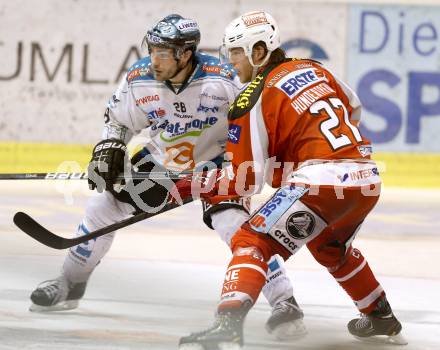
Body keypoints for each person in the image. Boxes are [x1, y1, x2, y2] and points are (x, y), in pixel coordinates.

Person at [29, 14, 306, 339]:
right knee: (103, 207)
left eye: (163, 52)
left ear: (186, 54)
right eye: (153, 49)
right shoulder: (139, 78)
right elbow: (118, 121)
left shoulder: (225, 80)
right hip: (163, 161)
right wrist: (109, 146)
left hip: (218, 163)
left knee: (238, 228)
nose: (154, 59)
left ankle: (285, 302)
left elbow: (258, 120)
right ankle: (69, 283)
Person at [177, 10, 407, 349]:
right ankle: (380, 315)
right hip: (365, 178)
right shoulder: (315, 68)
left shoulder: (249, 96)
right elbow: (353, 108)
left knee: (251, 241)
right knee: (329, 247)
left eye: (236, 53)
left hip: (321, 181)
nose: (232, 62)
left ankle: (226, 324)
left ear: (258, 52)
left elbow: (247, 181)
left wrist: (198, 183)